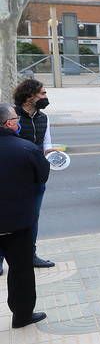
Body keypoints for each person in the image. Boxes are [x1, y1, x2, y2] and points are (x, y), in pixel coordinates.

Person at [0, 103, 50, 328]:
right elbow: (42, 175)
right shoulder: (26, 148)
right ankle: (22, 315)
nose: (19, 122)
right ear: (9, 123)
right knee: (21, 271)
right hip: (18, 223)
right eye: (16, 119)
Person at [12, 79, 55, 268]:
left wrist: (53, 157)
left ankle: (31, 254)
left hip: (36, 178)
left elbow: (47, 145)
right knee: (6, 216)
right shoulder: (11, 116)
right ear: (30, 96)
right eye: (43, 93)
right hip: (12, 179)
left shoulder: (43, 118)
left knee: (32, 216)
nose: (46, 97)